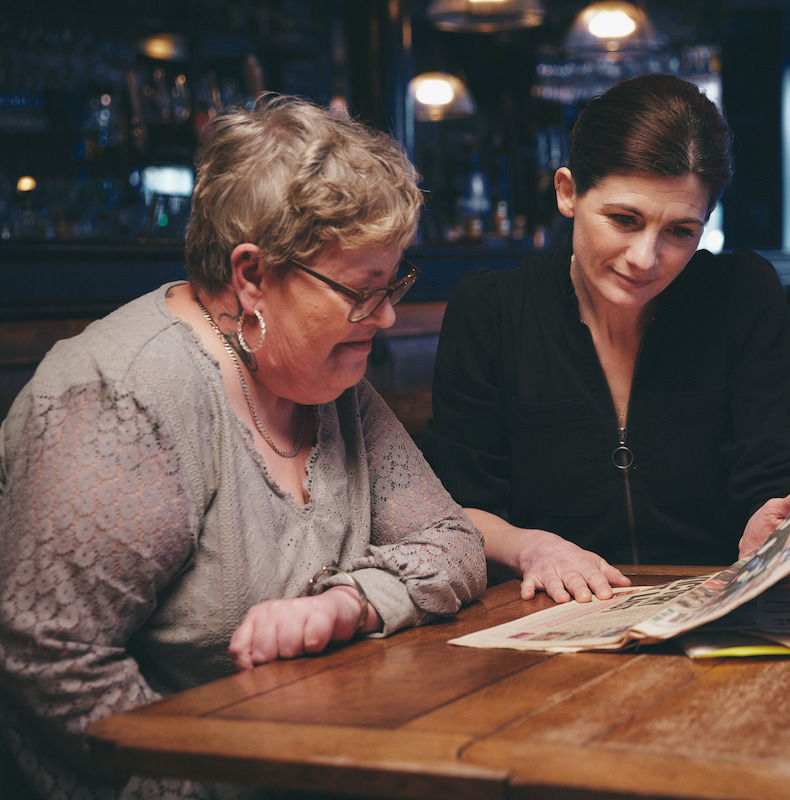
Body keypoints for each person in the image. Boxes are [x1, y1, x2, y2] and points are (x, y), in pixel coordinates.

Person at [0, 95, 487, 799]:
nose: (385, 316)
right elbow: (49, 657)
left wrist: (348, 603)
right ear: (252, 275)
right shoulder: (123, 397)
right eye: (362, 290)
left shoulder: (326, 377)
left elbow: (449, 541)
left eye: (393, 284)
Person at [421, 74, 790, 604]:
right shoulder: (493, 310)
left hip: (712, 608)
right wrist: (531, 548)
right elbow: (457, 502)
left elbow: (774, 469)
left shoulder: (739, 296)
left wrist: (766, 529)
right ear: (568, 192)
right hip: (545, 612)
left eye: (680, 231)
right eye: (623, 219)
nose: (645, 258)